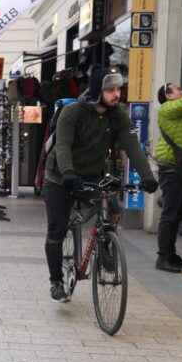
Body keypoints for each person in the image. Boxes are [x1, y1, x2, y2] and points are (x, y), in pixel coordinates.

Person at [44, 71, 158, 302]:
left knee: (113, 207)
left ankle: (106, 245)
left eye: (119, 89)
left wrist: (147, 177)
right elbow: (63, 146)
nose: (117, 94)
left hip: (91, 174)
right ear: (98, 92)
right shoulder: (72, 112)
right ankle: (56, 281)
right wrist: (67, 173)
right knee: (56, 230)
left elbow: (132, 146)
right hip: (60, 176)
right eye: (111, 90)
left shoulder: (118, 116)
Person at [154, 82, 182, 273]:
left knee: (177, 214)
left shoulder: (178, 113)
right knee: (170, 214)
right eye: (178, 89)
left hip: (180, 167)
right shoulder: (168, 109)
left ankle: (171, 254)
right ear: (168, 96)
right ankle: (163, 257)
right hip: (171, 168)